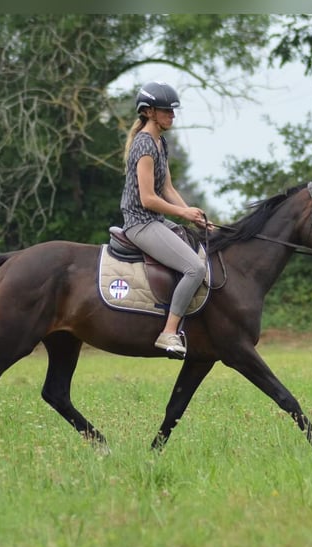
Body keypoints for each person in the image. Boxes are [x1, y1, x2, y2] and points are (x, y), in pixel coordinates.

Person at [120, 81, 209, 358]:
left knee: (201, 247)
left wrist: (194, 216)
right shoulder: (145, 145)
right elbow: (147, 198)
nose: (172, 115)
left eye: (173, 110)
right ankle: (168, 332)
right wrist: (183, 213)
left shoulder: (161, 142)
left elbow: (168, 188)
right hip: (140, 223)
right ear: (148, 112)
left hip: (156, 220)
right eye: (166, 110)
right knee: (194, 268)